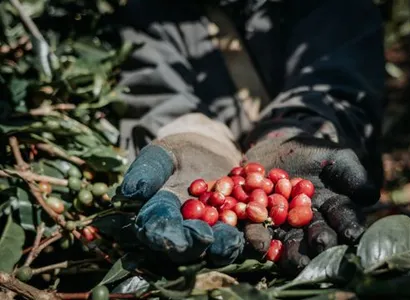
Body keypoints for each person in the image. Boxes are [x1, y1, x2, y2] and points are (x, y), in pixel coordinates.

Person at [113, 0, 386, 272]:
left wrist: (296, 137)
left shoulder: (337, 7)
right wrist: (191, 137)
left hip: (327, 219)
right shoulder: (151, 14)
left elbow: (336, 85)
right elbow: (157, 96)